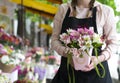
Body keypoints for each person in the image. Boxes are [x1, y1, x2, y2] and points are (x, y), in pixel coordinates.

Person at [51, 0, 117, 83]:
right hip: (68, 74)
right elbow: (54, 40)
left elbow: (113, 43)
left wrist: (99, 58)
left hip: (97, 75)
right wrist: (67, 53)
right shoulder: (63, 9)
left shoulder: (105, 11)